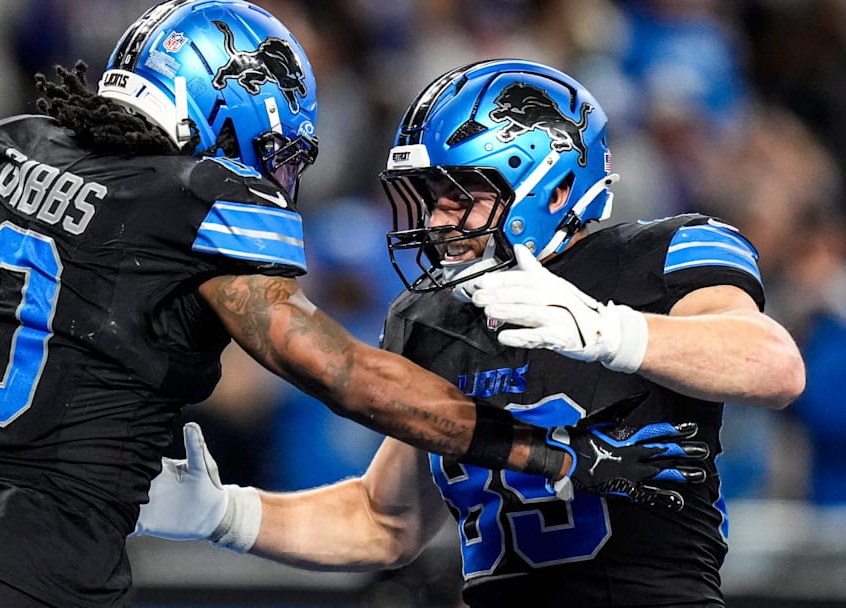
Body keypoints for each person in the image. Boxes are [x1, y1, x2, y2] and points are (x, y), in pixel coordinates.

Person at [0, 4, 706, 605]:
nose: (270, 171)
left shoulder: (4, 152)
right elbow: (343, 375)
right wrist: (545, 453)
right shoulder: (195, 200)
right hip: (47, 568)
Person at [132, 59, 807, 607]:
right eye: (432, 195)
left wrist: (612, 332)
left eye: (464, 193)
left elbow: (773, 364)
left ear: (547, 182)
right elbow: (383, 519)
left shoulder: (651, 260)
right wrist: (225, 514)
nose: (439, 218)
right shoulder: (434, 319)